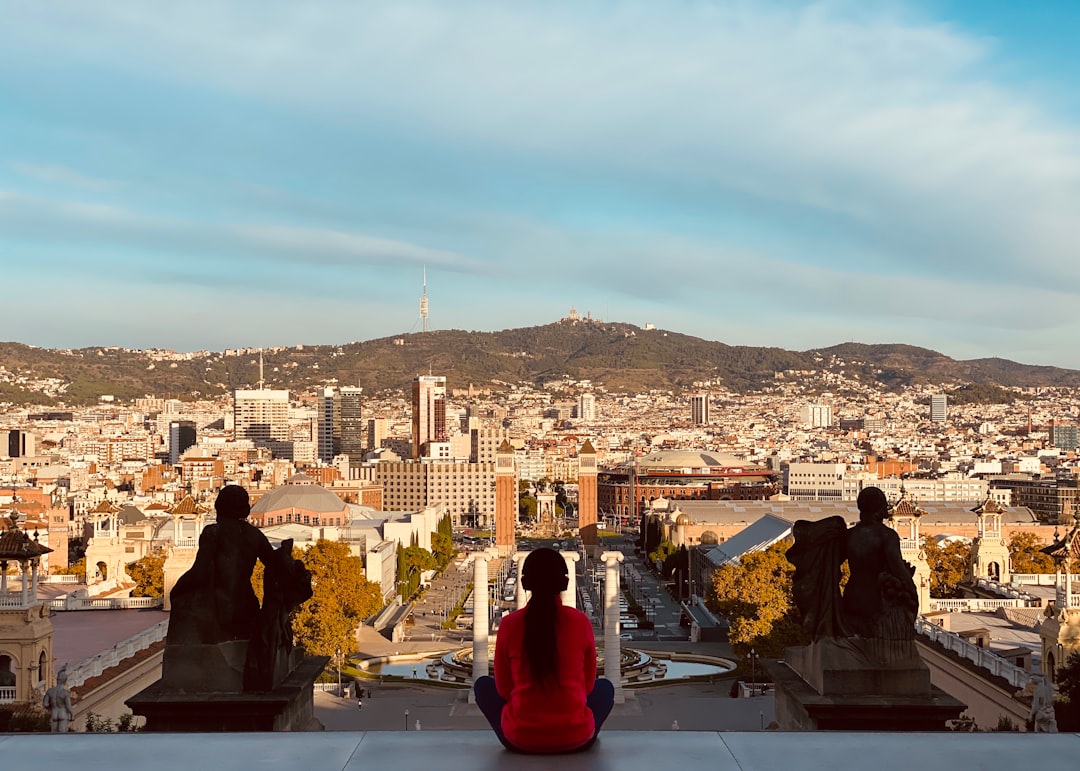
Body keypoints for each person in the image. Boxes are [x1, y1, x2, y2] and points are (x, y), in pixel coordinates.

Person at [473, 547, 614, 753]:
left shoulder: (510, 624)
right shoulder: (580, 622)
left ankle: (522, 727)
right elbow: (588, 686)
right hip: (576, 738)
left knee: (483, 686)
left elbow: (504, 689)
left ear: (524, 583)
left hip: (520, 739)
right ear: (565, 583)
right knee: (606, 688)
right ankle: (578, 728)